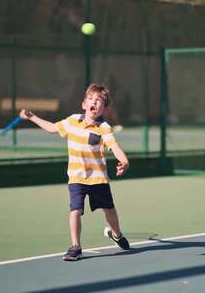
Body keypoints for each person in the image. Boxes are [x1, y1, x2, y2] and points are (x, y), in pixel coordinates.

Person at [19, 83, 130, 261]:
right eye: (91, 99)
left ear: (105, 109)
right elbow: (52, 128)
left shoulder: (104, 128)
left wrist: (124, 160)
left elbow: (114, 146)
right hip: (76, 178)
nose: (95, 103)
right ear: (84, 104)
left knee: (109, 210)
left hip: (98, 179)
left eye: (99, 101)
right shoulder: (72, 121)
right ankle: (75, 247)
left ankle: (116, 234)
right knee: (75, 210)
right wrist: (32, 116)